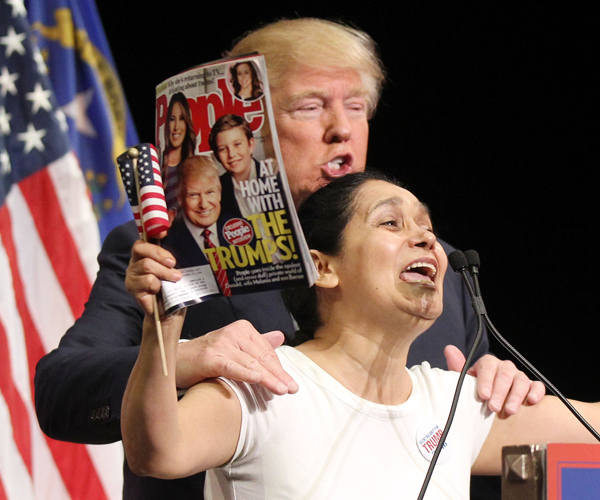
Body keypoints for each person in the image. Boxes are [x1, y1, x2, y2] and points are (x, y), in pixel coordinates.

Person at [34, 18, 544, 499]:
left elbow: (466, 430)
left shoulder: (437, 266)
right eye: (309, 107)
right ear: (248, 130)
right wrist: (184, 360)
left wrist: (501, 385)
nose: (341, 129)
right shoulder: (173, 248)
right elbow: (61, 392)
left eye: (356, 107)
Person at [122, 171, 599, 499]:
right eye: (391, 222)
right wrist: (162, 324)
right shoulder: (265, 384)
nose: (427, 239)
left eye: (427, 227)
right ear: (323, 267)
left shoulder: (453, 402)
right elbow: (158, 451)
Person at [208, 113, 264, 218]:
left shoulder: (274, 174)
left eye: (237, 144)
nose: (231, 154)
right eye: (222, 149)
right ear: (217, 155)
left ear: (251, 145)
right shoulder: (217, 189)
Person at [162, 92, 197, 215]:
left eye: (182, 119)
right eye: (172, 119)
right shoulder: (157, 164)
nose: (176, 127)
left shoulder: (195, 166)